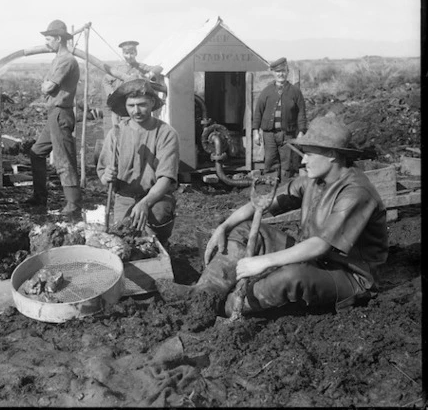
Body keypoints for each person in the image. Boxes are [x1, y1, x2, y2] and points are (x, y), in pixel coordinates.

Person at [158, 115, 388, 317]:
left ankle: (222, 308)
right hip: (312, 257)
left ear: (331, 155)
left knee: (290, 276)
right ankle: (204, 294)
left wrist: (263, 261)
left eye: (308, 154)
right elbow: (262, 203)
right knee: (244, 229)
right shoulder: (312, 180)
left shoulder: (356, 191)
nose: (303, 160)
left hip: (349, 276)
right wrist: (225, 225)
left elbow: (320, 245)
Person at [97, 79, 180, 245]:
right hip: (124, 197)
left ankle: (160, 243)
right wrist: (106, 177)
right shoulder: (116, 133)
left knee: (156, 221)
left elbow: (166, 178)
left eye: (142, 104)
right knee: (122, 239)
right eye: (131, 106)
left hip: (156, 197)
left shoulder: (166, 133)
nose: (136, 111)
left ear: (152, 103)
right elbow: (103, 172)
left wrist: (145, 203)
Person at [26, 19, 82, 220]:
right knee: (36, 152)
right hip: (54, 114)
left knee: (63, 157)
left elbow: (48, 87)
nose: (47, 43)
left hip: (61, 113)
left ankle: (74, 203)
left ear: (59, 39)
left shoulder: (66, 60)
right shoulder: (58, 58)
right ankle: (40, 197)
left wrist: (45, 85)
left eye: (49, 39)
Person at [252, 57, 307, 181]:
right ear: (273, 73)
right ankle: (271, 189)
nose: (281, 74)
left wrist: (301, 131)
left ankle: (285, 188)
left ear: (287, 72)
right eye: (278, 72)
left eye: (283, 71)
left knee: (287, 164)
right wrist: (256, 132)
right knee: (270, 161)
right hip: (269, 135)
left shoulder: (295, 92)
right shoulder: (266, 92)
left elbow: (301, 113)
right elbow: (258, 113)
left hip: (288, 134)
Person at [102, 41, 163, 130]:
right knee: (118, 131)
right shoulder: (117, 68)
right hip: (119, 106)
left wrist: (148, 75)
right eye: (126, 53)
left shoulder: (141, 67)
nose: (129, 56)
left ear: (136, 53)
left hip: (136, 106)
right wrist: (111, 92)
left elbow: (159, 68)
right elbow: (105, 80)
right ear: (123, 54)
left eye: (132, 53)